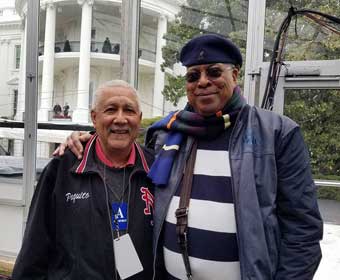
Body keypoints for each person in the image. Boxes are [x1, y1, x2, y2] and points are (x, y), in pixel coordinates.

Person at [55, 34, 323, 280]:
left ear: (235, 75)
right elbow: (122, 144)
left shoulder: (277, 134)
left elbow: (303, 233)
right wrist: (88, 139)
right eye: (193, 76)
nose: (203, 81)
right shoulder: (167, 134)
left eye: (214, 72)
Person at [12, 80, 156, 280]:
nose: (120, 119)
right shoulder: (62, 168)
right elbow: (35, 247)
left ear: (139, 119)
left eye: (129, 110)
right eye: (111, 109)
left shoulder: (156, 169)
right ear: (94, 118)